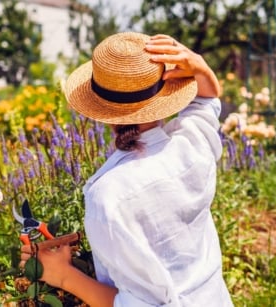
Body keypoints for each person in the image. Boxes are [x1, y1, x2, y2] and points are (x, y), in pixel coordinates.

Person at [20, 32, 234, 307]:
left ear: (101, 110)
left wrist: (62, 275)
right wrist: (199, 65)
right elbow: (207, 101)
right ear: (164, 96)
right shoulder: (191, 147)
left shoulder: (108, 196)